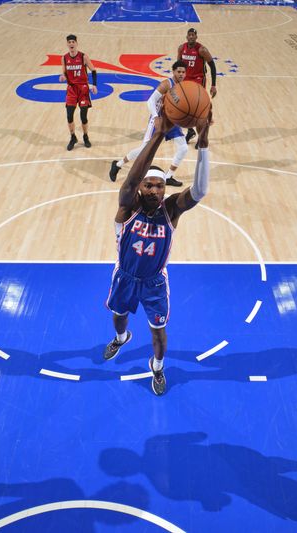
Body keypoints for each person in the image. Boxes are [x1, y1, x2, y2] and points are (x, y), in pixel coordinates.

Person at [104, 112, 211, 396]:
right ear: (140, 187)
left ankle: (158, 367)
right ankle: (121, 337)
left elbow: (200, 191)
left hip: (154, 283)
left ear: (165, 189)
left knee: (159, 334)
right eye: (148, 185)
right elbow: (129, 181)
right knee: (118, 317)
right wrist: (158, 135)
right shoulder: (128, 206)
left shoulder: (171, 209)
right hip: (125, 278)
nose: (154, 190)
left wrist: (204, 144)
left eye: (159, 185)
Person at [109, 60, 189, 187]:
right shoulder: (166, 84)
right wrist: (156, 117)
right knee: (143, 150)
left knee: (183, 148)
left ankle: (169, 176)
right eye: (178, 71)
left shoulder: (184, 86)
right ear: (173, 72)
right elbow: (150, 101)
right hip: (159, 120)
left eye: (183, 72)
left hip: (172, 121)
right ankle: (118, 164)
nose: (181, 74)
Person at [177, 28, 216, 145]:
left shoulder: (202, 50)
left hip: (198, 80)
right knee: (183, 108)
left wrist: (213, 85)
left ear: (196, 37)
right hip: (186, 80)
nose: (191, 37)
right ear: (186, 36)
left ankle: (202, 136)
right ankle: (190, 131)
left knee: (198, 109)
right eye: (189, 35)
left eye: (193, 35)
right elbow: (178, 66)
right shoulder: (181, 48)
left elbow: (212, 66)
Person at [60, 34, 97, 151]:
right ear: (67, 44)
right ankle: (73, 137)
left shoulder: (83, 57)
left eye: (73, 42)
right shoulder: (64, 58)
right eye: (69, 42)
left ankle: (85, 136)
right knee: (69, 116)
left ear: (76, 43)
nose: (71, 44)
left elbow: (94, 70)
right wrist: (63, 76)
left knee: (83, 116)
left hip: (83, 89)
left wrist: (94, 85)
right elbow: (64, 72)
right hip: (71, 90)